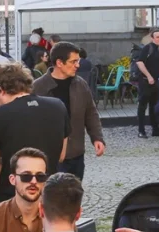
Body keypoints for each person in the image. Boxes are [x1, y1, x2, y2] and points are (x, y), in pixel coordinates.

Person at [0, 62, 69, 201]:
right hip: (49, 193)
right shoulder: (58, 106)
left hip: (13, 194)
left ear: (1, 90)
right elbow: (61, 155)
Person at [32, 41, 105, 182]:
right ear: (59, 63)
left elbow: (90, 112)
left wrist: (97, 137)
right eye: (73, 61)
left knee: (74, 195)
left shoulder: (80, 84)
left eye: (78, 61)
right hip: (48, 155)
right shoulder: (38, 87)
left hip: (76, 153)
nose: (78, 65)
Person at [135, 27, 159, 138]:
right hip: (145, 81)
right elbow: (140, 63)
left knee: (154, 106)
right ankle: (141, 130)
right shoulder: (148, 48)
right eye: (157, 37)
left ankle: (155, 129)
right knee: (143, 106)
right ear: (152, 38)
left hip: (155, 81)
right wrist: (148, 76)